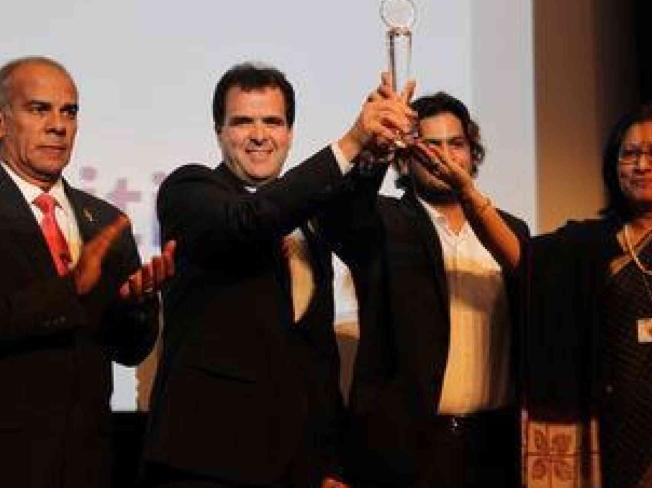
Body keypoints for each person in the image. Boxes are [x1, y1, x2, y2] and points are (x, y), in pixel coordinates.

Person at [424, 103, 652, 487]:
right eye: (630, 154)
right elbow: (520, 257)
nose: (641, 165)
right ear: (614, 166)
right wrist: (468, 193)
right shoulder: (589, 245)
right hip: (622, 455)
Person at [142, 63, 414, 488]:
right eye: (242, 121)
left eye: (273, 121)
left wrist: (372, 154)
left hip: (301, 463)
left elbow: (317, 349)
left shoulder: (308, 209)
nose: (258, 134)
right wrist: (350, 142)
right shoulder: (189, 191)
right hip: (209, 460)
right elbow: (250, 220)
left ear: (289, 132)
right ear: (219, 131)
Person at [327, 91, 529, 488]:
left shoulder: (509, 231)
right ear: (406, 158)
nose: (444, 157)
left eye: (456, 144)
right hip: (408, 451)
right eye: (429, 146)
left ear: (473, 153)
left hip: (495, 445)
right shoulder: (384, 222)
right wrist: (374, 151)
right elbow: (342, 220)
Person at [0, 56, 174, 488]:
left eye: (69, 111)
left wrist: (133, 305)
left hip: (88, 462)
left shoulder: (105, 220)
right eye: (39, 109)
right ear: (2, 122)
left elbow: (129, 351)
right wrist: (70, 290)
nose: (58, 125)